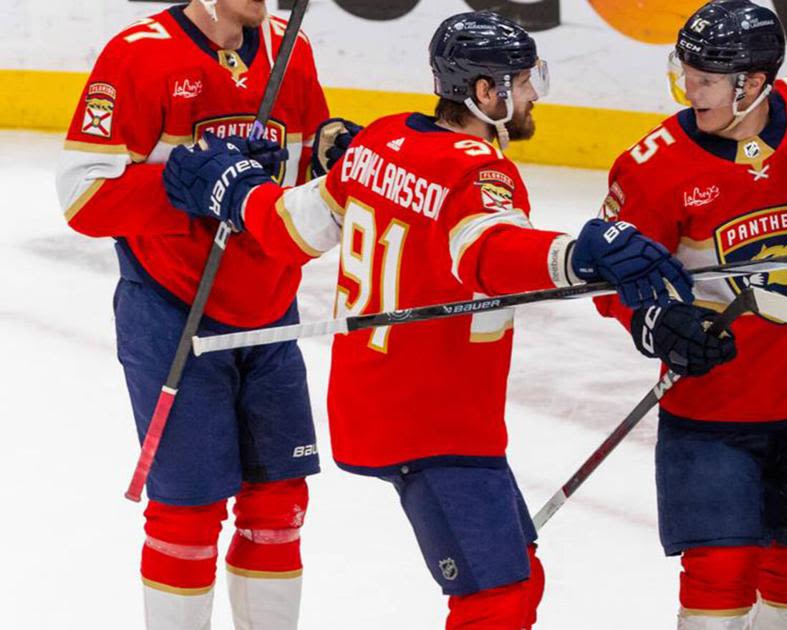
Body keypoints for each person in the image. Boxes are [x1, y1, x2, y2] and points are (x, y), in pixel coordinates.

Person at [160, 10, 695, 628]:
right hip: (437, 423)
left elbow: (295, 227)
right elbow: (489, 254)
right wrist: (578, 255)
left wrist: (236, 188)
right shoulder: (481, 169)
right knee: (499, 599)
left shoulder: (381, 140)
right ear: (485, 93)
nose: (532, 96)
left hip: (373, 408)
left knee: (517, 571)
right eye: (522, 83)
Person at [55, 1, 328, 628]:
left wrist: (339, 152)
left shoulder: (293, 48)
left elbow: (307, 174)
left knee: (280, 503)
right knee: (188, 510)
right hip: (174, 311)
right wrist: (187, 184)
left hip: (272, 313)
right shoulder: (139, 53)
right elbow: (82, 196)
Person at [593, 2, 787, 628]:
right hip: (711, 410)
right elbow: (614, 278)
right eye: (685, 73)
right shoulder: (653, 168)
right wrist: (652, 321)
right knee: (718, 576)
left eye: (707, 80)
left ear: (755, 83)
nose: (690, 91)